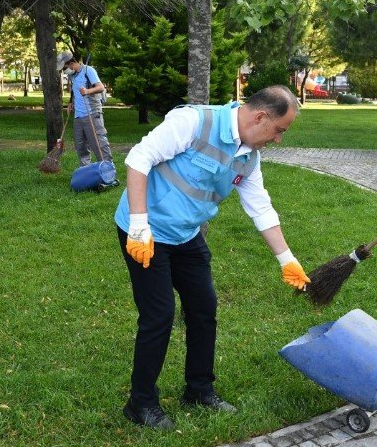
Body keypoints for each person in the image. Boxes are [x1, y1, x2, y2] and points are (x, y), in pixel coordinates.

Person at [114, 85, 311, 429]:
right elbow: (139, 158)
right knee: (159, 315)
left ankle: (199, 389)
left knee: (204, 307)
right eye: (280, 130)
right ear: (261, 117)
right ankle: (140, 402)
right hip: (146, 231)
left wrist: (287, 260)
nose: (279, 140)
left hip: (186, 235)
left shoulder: (249, 156)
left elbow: (260, 207)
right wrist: (138, 224)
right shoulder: (194, 121)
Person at [55, 51, 113, 167]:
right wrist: (71, 102)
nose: (64, 71)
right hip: (78, 116)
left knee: (98, 144)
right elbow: (74, 90)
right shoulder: (73, 75)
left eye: (65, 68)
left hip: (92, 113)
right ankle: (85, 170)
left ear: (71, 63)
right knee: (80, 147)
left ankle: (108, 170)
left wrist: (87, 91)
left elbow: (100, 87)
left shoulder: (88, 71)